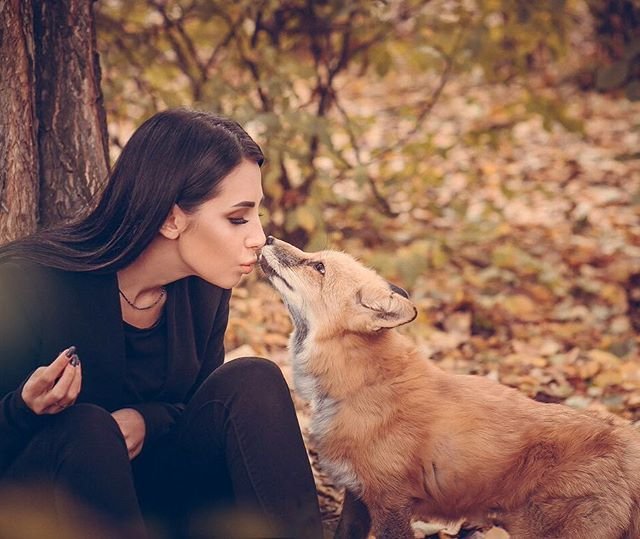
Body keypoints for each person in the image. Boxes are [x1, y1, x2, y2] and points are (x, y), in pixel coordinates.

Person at [0, 109, 324, 539]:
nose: (259, 237)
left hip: (165, 501)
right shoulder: (30, 282)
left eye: (257, 214)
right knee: (89, 427)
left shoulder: (205, 288)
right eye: (237, 218)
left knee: (254, 378)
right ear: (171, 219)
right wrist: (24, 407)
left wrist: (146, 420)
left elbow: (197, 405)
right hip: (51, 507)